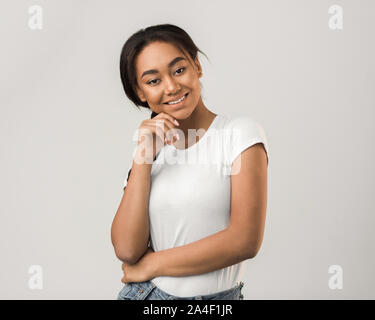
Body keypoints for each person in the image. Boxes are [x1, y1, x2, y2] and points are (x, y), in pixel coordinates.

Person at [111, 24, 269, 300]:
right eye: (153, 80)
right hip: (148, 296)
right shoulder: (152, 152)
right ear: (140, 92)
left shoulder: (238, 134)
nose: (171, 87)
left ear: (197, 66)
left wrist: (152, 264)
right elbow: (126, 250)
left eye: (179, 70)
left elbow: (245, 240)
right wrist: (142, 158)